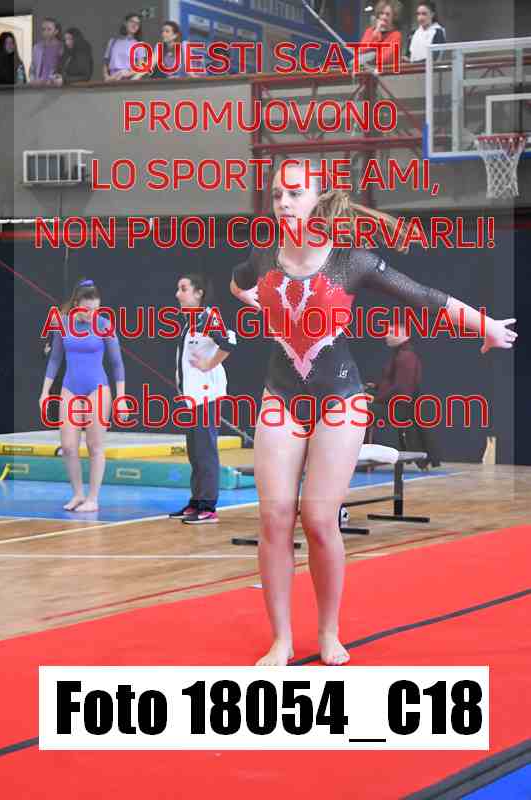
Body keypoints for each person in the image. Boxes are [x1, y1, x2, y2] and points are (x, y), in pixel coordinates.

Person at [230, 159, 517, 666]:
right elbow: (239, 282)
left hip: (339, 399)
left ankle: (329, 631)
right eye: (277, 195)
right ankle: (281, 639)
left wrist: (486, 326)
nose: (283, 203)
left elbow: (424, 296)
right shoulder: (264, 256)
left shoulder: (351, 261)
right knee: (274, 517)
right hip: (281, 397)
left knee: (319, 518)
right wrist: (254, 301)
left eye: (294, 194)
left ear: (317, 199)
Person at [39, 279, 128, 512]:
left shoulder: (104, 325)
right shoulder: (63, 324)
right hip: (70, 387)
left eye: (96, 310)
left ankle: (93, 498)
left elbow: (117, 364)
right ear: (77, 304)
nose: (91, 315)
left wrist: (121, 398)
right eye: (87, 310)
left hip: (97, 388)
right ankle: (78, 494)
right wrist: (45, 392)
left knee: (94, 445)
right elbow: (55, 359)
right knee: (68, 446)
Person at [169, 274, 237, 524]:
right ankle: (197, 501)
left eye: (183, 289)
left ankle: (208, 506)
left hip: (207, 396)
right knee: (195, 452)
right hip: (193, 397)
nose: (178, 294)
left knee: (205, 451)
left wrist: (209, 363)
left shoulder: (208, 317)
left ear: (199, 293)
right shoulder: (192, 321)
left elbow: (229, 342)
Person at [367, 324, 442, 467]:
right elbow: (395, 385)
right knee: (363, 408)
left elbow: (401, 390)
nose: (386, 335)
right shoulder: (402, 355)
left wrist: (375, 398)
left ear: (405, 335)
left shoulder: (406, 357)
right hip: (397, 407)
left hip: (399, 410)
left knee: (360, 412)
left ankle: (362, 459)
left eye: (391, 332)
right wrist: (375, 388)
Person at [103, 12, 147, 81]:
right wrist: (106, 76)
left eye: (137, 24)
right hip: (111, 79)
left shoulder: (139, 44)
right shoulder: (113, 42)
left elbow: (141, 67)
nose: (134, 25)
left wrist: (126, 73)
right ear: (125, 23)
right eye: (132, 21)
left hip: (128, 80)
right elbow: (105, 63)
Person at [360, 0, 403, 69]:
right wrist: (375, 33)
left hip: (386, 73)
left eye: (387, 14)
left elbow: (386, 58)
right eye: (381, 13)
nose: (384, 17)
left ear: (393, 17)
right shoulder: (369, 31)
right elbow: (362, 50)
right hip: (366, 72)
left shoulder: (396, 35)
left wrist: (370, 57)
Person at [29, 17, 63, 84]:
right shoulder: (37, 48)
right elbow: (32, 68)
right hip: (38, 85)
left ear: (56, 31)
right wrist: (33, 80)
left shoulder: (62, 47)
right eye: (43, 29)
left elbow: (63, 69)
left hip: (54, 85)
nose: (45, 32)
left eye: (49, 29)